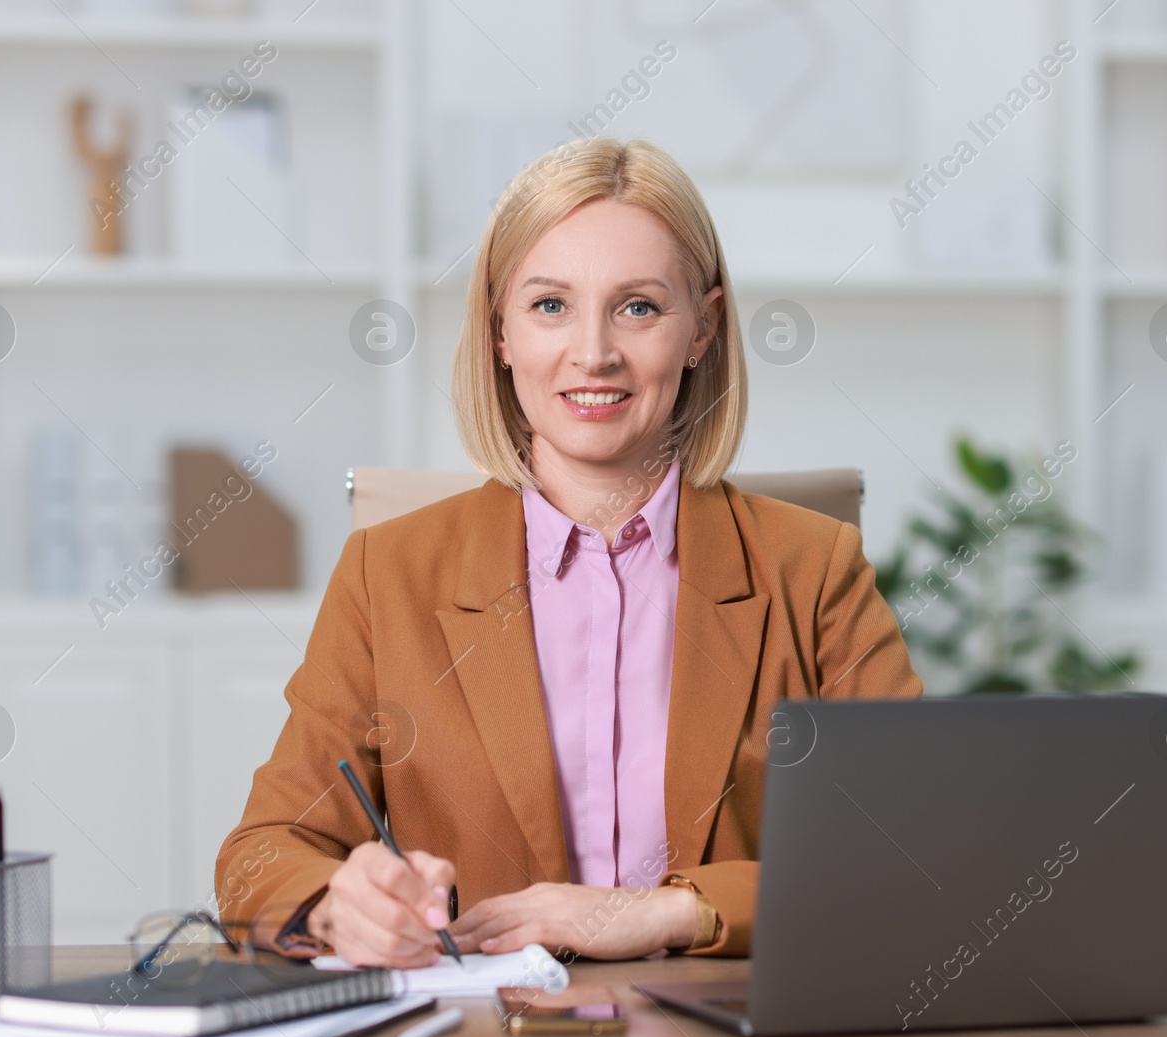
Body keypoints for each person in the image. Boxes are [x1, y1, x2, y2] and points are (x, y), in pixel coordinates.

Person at [216, 137, 921, 967]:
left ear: (703, 329)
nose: (594, 353)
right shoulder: (387, 575)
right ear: (499, 333)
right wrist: (339, 906)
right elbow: (258, 855)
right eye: (551, 305)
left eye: (639, 307)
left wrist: (668, 913)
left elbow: (914, 854)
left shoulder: (814, 569)